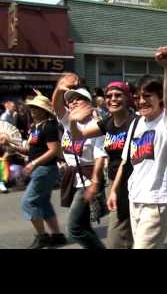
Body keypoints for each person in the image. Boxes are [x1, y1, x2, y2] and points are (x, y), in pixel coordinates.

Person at [107, 47, 167, 249]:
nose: (141, 101)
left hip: (156, 201)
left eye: (148, 96)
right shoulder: (136, 124)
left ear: (160, 99)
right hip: (135, 198)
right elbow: (125, 162)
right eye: (139, 97)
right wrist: (114, 191)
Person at [67, 81, 136, 249]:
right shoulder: (107, 122)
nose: (113, 99)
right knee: (127, 235)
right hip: (115, 184)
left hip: (133, 183)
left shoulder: (136, 122)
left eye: (118, 95)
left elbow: (127, 161)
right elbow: (79, 136)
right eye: (109, 96)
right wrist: (73, 121)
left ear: (127, 98)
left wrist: (109, 188)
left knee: (117, 239)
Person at [0, 93, 67, 248]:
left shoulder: (49, 126)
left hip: (45, 169)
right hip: (40, 169)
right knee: (43, 203)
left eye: (36, 108)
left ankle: (42, 236)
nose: (33, 110)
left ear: (44, 110)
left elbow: (54, 150)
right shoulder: (35, 127)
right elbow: (29, 151)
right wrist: (11, 145)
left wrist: (33, 163)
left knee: (28, 202)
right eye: (31, 107)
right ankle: (57, 235)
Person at [52, 73, 108, 249]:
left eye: (78, 99)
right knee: (84, 226)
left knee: (74, 228)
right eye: (70, 100)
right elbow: (56, 106)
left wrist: (94, 184)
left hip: (88, 178)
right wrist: (60, 89)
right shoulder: (69, 122)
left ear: (89, 103)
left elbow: (99, 157)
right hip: (73, 177)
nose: (73, 102)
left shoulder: (97, 125)